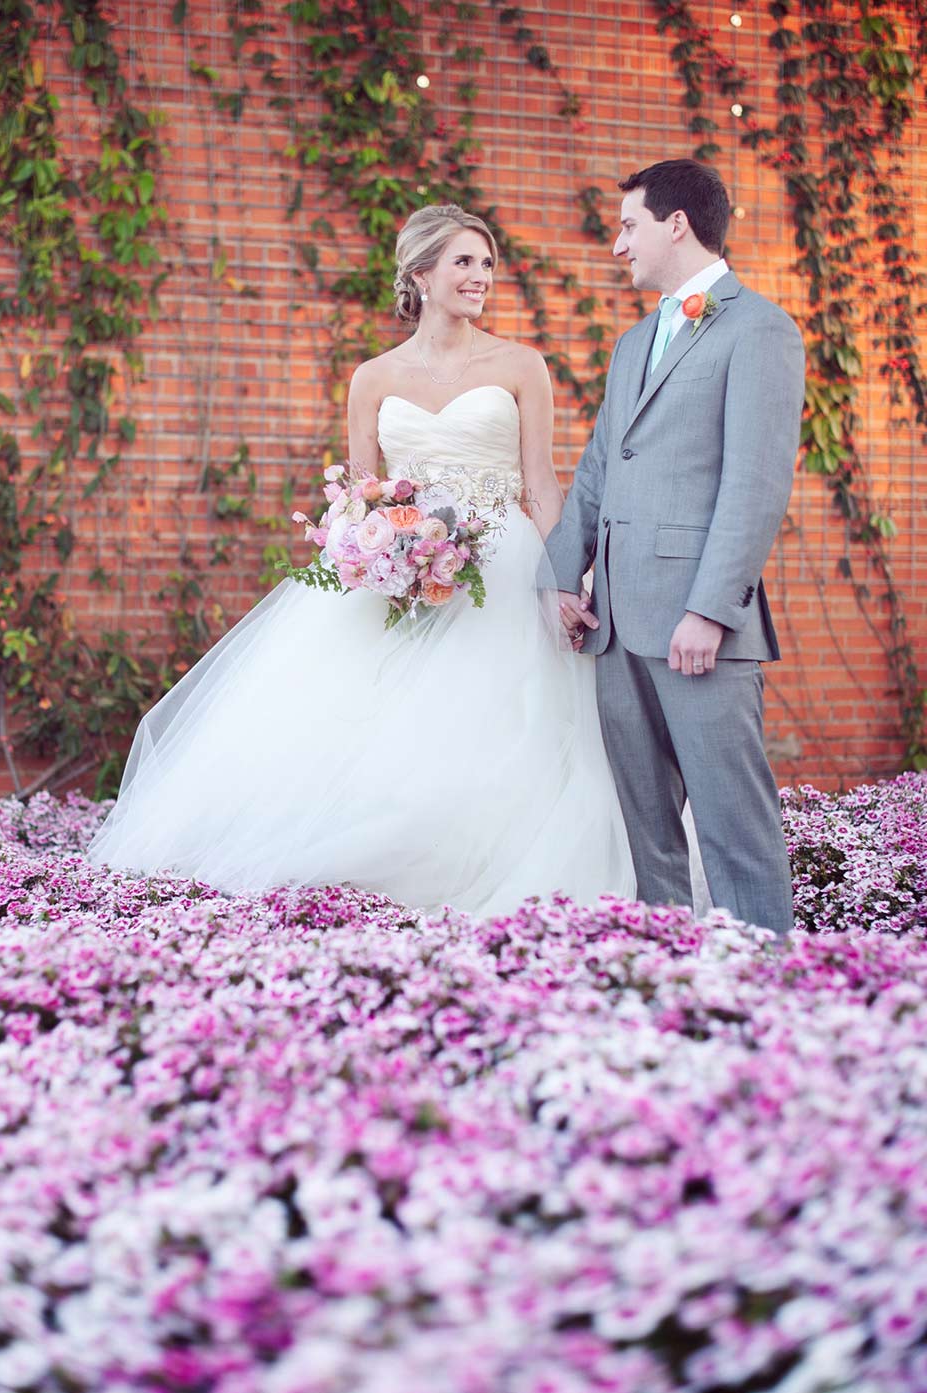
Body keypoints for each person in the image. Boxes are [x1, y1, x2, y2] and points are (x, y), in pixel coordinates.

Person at [87, 204, 635, 915]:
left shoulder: (520, 364)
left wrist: (562, 577)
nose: (481, 277)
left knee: (500, 716)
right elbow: (361, 493)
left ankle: (481, 864)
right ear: (421, 274)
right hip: (400, 568)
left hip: (504, 564)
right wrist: (370, 552)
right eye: (464, 262)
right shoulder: (373, 378)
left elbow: (540, 482)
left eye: (488, 263)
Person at [546, 160, 804, 932]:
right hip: (617, 623)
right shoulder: (632, 344)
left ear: (677, 224)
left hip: (700, 630)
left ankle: (765, 986)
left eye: (629, 226)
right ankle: (668, 980)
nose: (618, 246)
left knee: (735, 827)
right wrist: (565, 573)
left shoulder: (762, 330)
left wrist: (711, 611)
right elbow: (599, 467)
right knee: (648, 836)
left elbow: (754, 484)